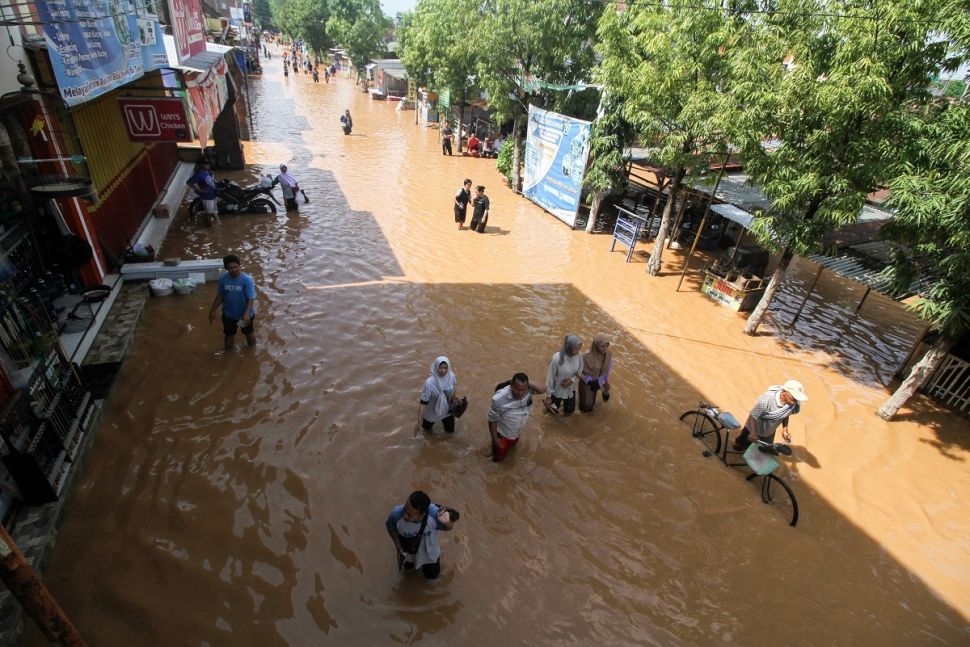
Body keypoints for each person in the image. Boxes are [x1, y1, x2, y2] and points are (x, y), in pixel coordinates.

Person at [385, 491, 456, 580]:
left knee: (432, 578)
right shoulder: (396, 514)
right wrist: (398, 547)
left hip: (430, 555)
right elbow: (390, 527)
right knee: (407, 574)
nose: (405, 516)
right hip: (409, 554)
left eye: (410, 515)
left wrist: (446, 522)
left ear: (422, 515)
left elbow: (449, 528)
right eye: (405, 509)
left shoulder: (435, 516)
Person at [732, 380, 808, 451]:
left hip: (769, 432)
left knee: (761, 451)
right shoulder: (767, 399)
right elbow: (753, 416)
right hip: (753, 428)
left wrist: (785, 430)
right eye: (794, 396)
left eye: (797, 397)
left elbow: (785, 414)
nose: (796, 400)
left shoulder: (793, 403)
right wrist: (753, 433)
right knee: (739, 446)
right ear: (784, 392)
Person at [487, 373, 547, 462]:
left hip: (516, 433)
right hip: (502, 436)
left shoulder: (528, 390)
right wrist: (495, 439)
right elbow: (492, 419)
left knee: (513, 451)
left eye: (523, 389)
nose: (520, 393)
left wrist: (527, 383)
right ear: (510, 385)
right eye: (517, 389)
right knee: (498, 460)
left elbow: (543, 389)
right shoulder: (499, 399)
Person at [208, 254, 256, 352]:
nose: (234, 270)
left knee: (247, 332)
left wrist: (246, 314)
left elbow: (251, 298)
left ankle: (252, 352)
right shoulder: (223, 279)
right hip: (229, 315)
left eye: (235, 267)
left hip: (243, 316)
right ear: (226, 268)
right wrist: (212, 311)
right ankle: (227, 355)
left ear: (239, 266)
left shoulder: (246, 280)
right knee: (229, 334)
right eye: (230, 268)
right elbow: (220, 296)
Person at [415, 356, 458, 435]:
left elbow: (454, 386)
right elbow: (423, 402)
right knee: (427, 432)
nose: (443, 371)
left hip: (446, 410)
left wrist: (454, 398)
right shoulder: (429, 383)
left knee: (450, 432)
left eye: (445, 368)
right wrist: (418, 421)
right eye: (440, 368)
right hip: (431, 411)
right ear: (436, 367)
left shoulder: (451, 376)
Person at [545, 335, 584, 416]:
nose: (578, 351)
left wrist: (572, 380)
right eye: (576, 349)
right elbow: (550, 378)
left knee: (569, 411)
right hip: (557, 390)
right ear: (569, 347)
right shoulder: (556, 359)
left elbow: (580, 368)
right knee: (552, 411)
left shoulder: (578, 354)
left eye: (579, 349)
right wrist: (548, 397)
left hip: (570, 389)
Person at [578, 334, 612, 413]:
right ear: (596, 345)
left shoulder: (608, 355)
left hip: (598, 382)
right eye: (602, 346)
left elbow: (606, 369)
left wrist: (606, 381)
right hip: (586, 383)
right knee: (586, 404)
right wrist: (589, 381)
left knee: (592, 402)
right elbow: (577, 371)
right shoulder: (585, 356)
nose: (605, 349)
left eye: (607, 346)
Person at [186, 159, 218, 227]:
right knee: (208, 213)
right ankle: (211, 227)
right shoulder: (198, 174)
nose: (208, 165)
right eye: (206, 164)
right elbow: (189, 182)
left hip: (213, 194)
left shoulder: (207, 171)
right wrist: (199, 189)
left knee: (212, 211)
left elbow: (211, 180)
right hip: (207, 196)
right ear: (201, 165)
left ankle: (213, 221)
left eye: (208, 164)